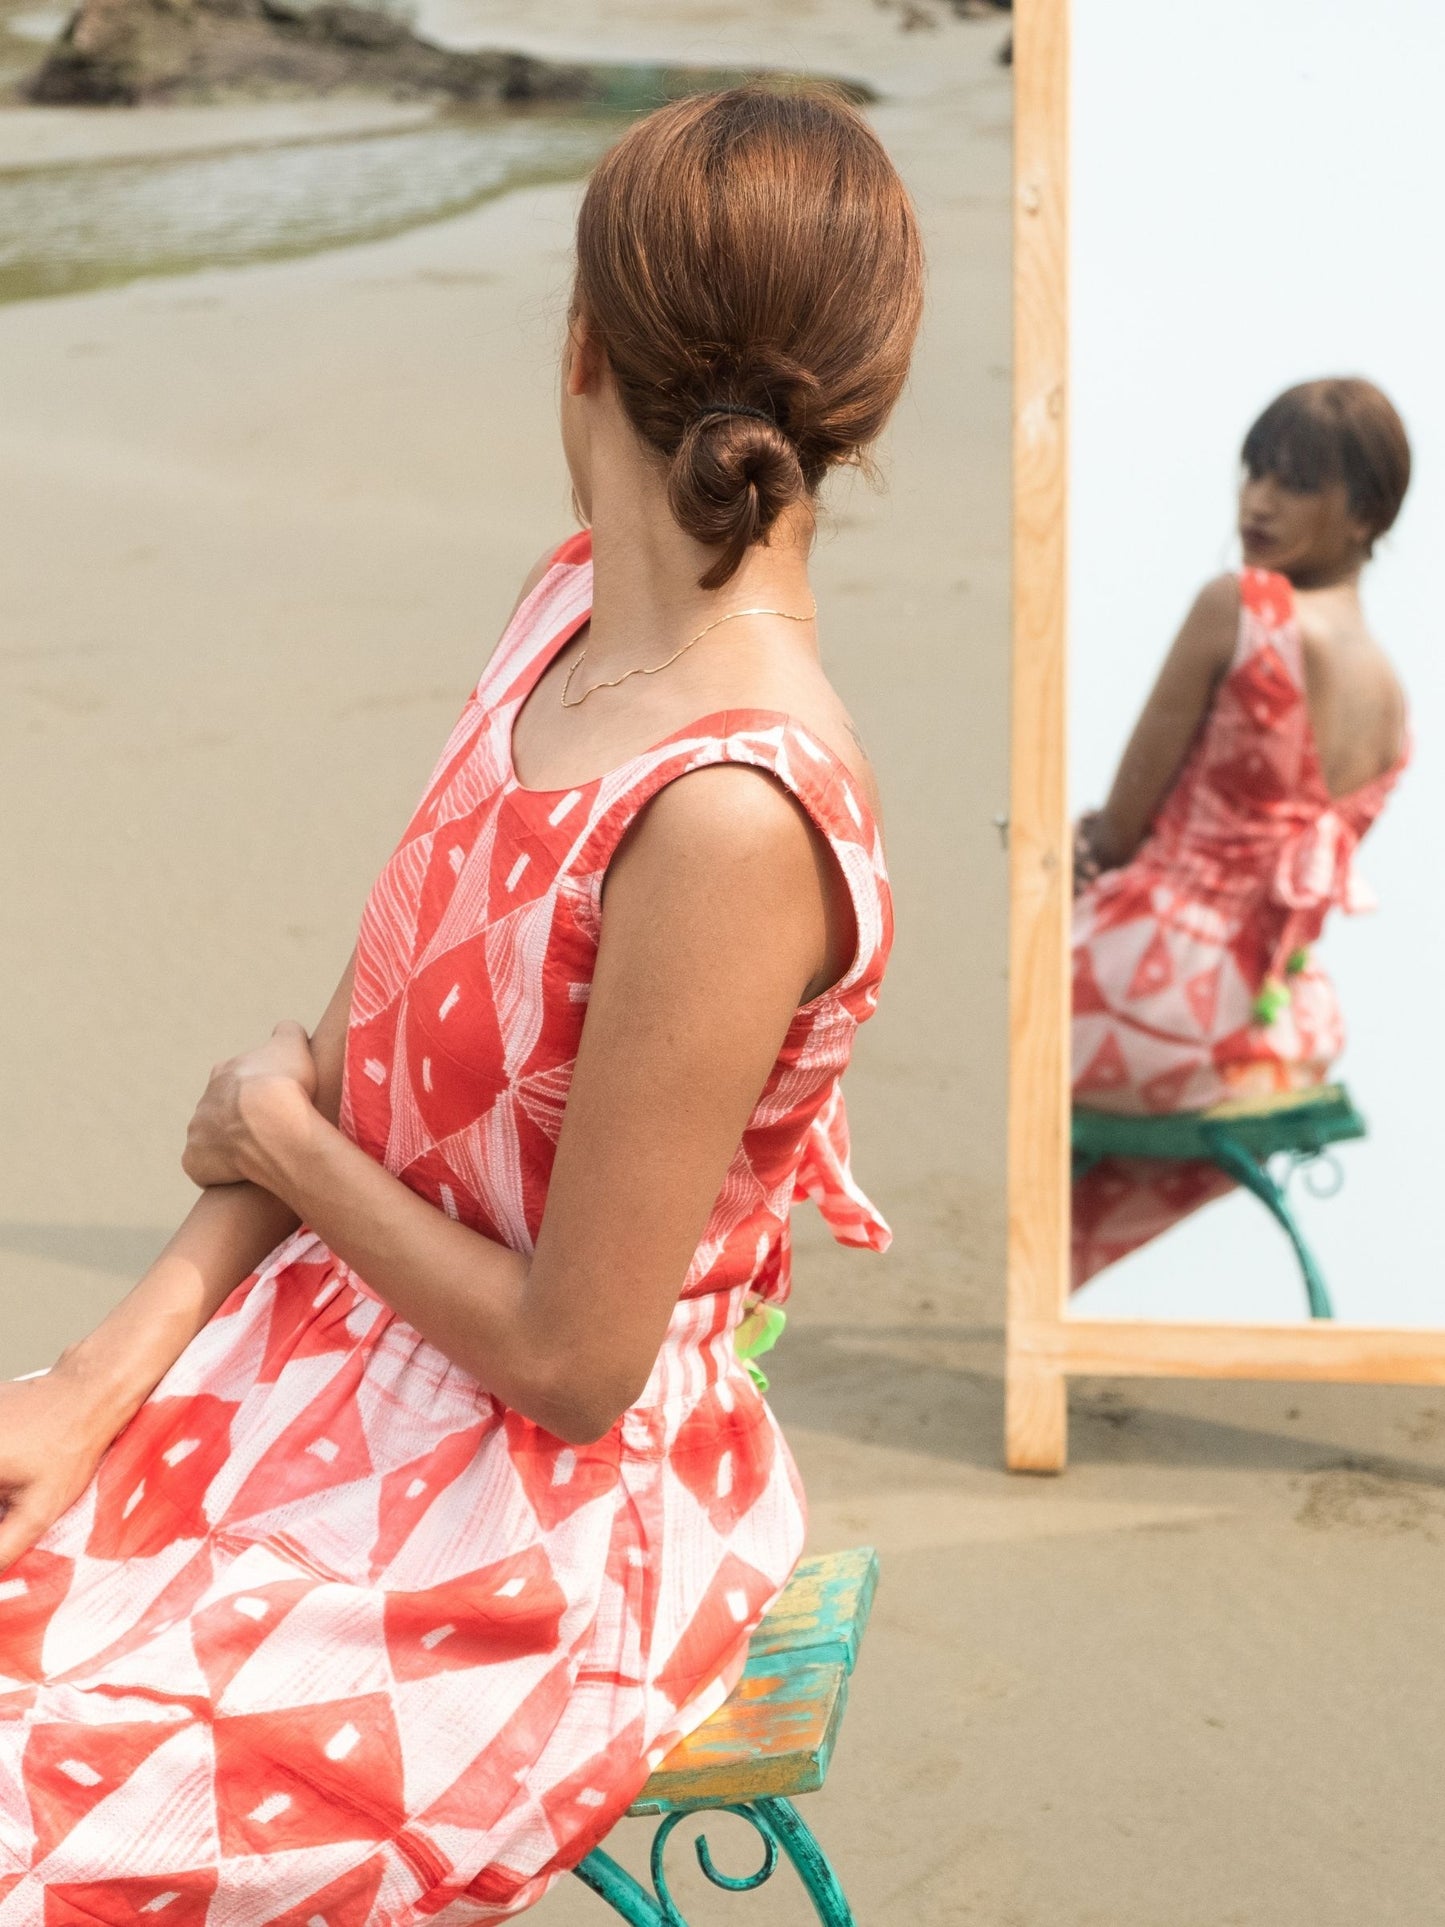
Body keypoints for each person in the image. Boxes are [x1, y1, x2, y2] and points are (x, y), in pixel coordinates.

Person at [0, 85, 921, 1920]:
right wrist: (100, 1376)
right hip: (295, 1366)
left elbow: (576, 1367)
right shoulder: (560, 616)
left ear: (579, 346)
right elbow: (350, 1052)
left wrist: (281, 1136)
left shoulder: (735, 812)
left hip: (521, 1528)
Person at [1071, 377, 1410, 1287]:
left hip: (1148, 989)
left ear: (1365, 509)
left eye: (1294, 481)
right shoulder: (1393, 703)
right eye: (1254, 470)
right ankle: (1044, 1286)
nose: (1257, 498)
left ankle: (1029, 1293)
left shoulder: (1243, 605)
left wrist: (1075, 852)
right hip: (1276, 1029)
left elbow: (1118, 831)